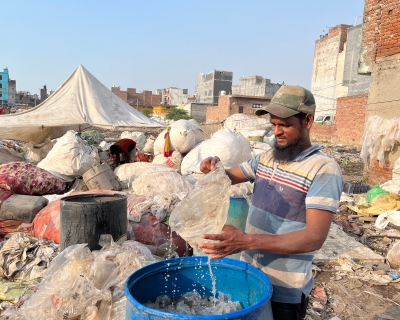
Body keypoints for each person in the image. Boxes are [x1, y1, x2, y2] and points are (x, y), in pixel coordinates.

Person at [198, 85, 343, 320]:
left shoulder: (323, 169)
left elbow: (314, 238)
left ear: (307, 121)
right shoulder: (267, 157)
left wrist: (246, 241)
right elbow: (227, 177)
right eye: (274, 124)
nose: (277, 131)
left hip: (285, 289)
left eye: (285, 124)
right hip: (253, 277)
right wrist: (212, 167)